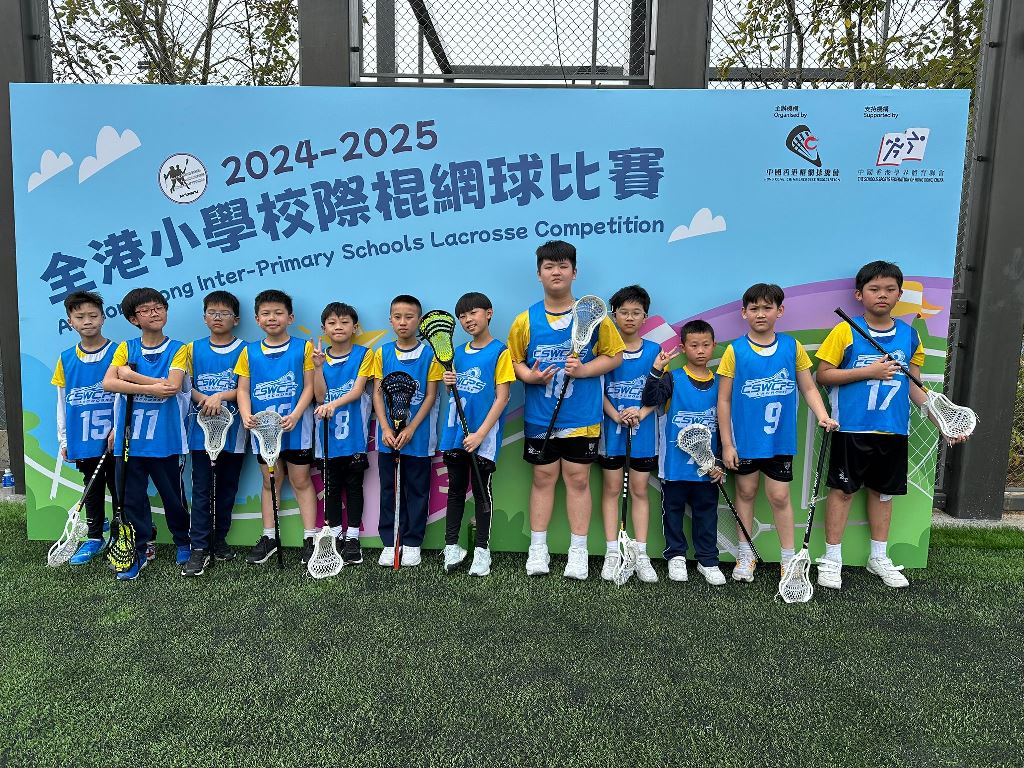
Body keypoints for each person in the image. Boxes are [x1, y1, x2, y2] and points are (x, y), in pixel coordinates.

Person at [814, 260, 965, 589]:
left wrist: (941, 422)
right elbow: (823, 375)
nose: (882, 295)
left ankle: (878, 557)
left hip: (893, 430)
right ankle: (832, 557)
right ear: (859, 294)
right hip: (851, 428)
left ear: (899, 294)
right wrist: (869, 371)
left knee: (883, 494)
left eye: (889, 289)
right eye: (874, 289)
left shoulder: (909, 335)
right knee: (842, 492)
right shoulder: (845, 330)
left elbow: (915, 386)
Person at [508, 240, 624, 580]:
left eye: (563, 266)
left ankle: (578, 551)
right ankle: (538, 549)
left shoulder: (595, 318)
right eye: (548, 267)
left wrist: (585, 370)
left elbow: (614, 355)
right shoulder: (525, 320)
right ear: (538, 274)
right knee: (543, 478)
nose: (556, 272)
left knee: (578, 479)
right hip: (540, 417)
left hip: (582, 417)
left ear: (575, 272)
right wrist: (529, 376)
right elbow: (514, 361)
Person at [717, 283, 838, 583]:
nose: (761, 314)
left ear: (779, 311)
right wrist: (727, 444)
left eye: (767, 307)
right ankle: (745, 554)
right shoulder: (735, 350)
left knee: (780, 497)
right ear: (744, 313)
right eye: (754, 308)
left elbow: (808, 387)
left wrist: (823, 416)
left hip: (779, 440)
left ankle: (788, 558)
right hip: (745, 441)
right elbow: (724, 400)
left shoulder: (791, 347)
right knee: (745, 492)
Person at [102, 288, 191, 580]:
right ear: (133, 319)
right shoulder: (126, 348)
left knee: (173, 497)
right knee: (131, 499)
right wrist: (151, 386)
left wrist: (131, 376)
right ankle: (140, 549)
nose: (154, 313)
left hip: (165, 439)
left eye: (159, 307)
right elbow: (109, 383)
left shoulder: (178, 348)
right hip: (129, 440)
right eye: (146, 310)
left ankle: (183, 541)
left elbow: (172, 387)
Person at [235, 289, 317, 567]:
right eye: (266, 314)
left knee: (301, 481)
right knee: (270, 482)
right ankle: (269, 537)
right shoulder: (248, 351)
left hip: (296, 428)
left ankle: (310, 538)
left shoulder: (304, 348)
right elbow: (242, 389)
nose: (272, 318)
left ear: (290, 318)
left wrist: (296, 414)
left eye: (278, 313)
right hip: (263, 432)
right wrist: (246, 415)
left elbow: (309, 387)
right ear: (257, 319)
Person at [642, 320, 726, 585]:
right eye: (694, 345)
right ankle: (676, 556)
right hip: (674, 467)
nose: (700, 350)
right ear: (683, 348)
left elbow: (727, 427)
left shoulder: (721, 384)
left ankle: (707, 560)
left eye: (705, 345)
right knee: (673, 512)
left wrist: (720, 462)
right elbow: (650, 400)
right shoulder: (673, 378)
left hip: (707, 469)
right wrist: (657, 369)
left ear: (714, 346)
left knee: (707, 514)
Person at [439, 292, 514, 577]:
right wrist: (448, 382)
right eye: (462, 316)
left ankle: (482, 551)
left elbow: (503, 398)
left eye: (473, 313)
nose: (468, 319)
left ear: (489, 313)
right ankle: (451, 547)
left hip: (483, 439)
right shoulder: (456, 353)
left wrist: (480, 435)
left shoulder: (500, 352)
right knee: (455, 491)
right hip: (455, 435)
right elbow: (453, 393)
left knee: (482, 492)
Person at [372, 294, 443, 568]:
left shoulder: (430, 355)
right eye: (397, 317)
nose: (403, 322)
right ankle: (391, 542)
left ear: (419, 321)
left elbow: (431, 396)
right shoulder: (382, 353)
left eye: (409, 317)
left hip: (419, 439)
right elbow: (377, 394)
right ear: (390, 320)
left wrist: (412, 428)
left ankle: (412, 543)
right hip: (388, 438)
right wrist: (385, 427)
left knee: (417, 492)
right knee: (389, 490)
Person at [181, 290, 247, 577]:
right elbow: (184, 385)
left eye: (224, 313)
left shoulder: (246, 350)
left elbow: (245, 388)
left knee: (227, 487)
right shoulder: (191, 350)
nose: (218, 317)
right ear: (204, 317)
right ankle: (199, 546)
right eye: (212, 312)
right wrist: (204, 399)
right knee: (201, 488)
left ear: (236, 319)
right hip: (200, 432)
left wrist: (220, 396)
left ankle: (218, 540)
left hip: (235, 432)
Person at [598, 285, 660, 583]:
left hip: (643, 433)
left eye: (636, 312)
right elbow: (597, 390)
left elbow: (660, 392)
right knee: (612, 490)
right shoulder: (605, 351)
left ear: (645, 316)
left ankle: (641, 554)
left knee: (639, 490)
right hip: (612, 433)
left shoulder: (654, 351)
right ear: (614, 315)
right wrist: (616, 416)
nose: (630, 318)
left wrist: (641, 413)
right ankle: (612, 552)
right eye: (624, 312)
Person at [52, 290, 117, 565]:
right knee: (92, 486)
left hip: (114, 438)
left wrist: (119, 428)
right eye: (80, 317)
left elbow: (127, 396)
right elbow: (62, 401)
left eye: (93, 315)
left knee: (120, 487)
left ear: (103, 318)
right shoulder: (66, 358)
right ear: (70, 322)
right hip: (84, 436)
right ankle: (94, 537)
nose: (87, 321)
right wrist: (64, 439)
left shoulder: (119, 352)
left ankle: (121, 535)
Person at [312, 302, 374, 565]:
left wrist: (333, 405)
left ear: (355, 327)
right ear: (323, 328)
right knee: (332, 488)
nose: (338, 327)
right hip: (326, 440)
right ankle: (336, 534)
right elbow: (319, 397)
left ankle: (353, 538)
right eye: (332, 323)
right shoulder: (317, 358)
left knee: (354, 487)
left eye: (344, 322)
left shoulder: (364, 354)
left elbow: (357, 391)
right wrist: (317, 367)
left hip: (354, 439)